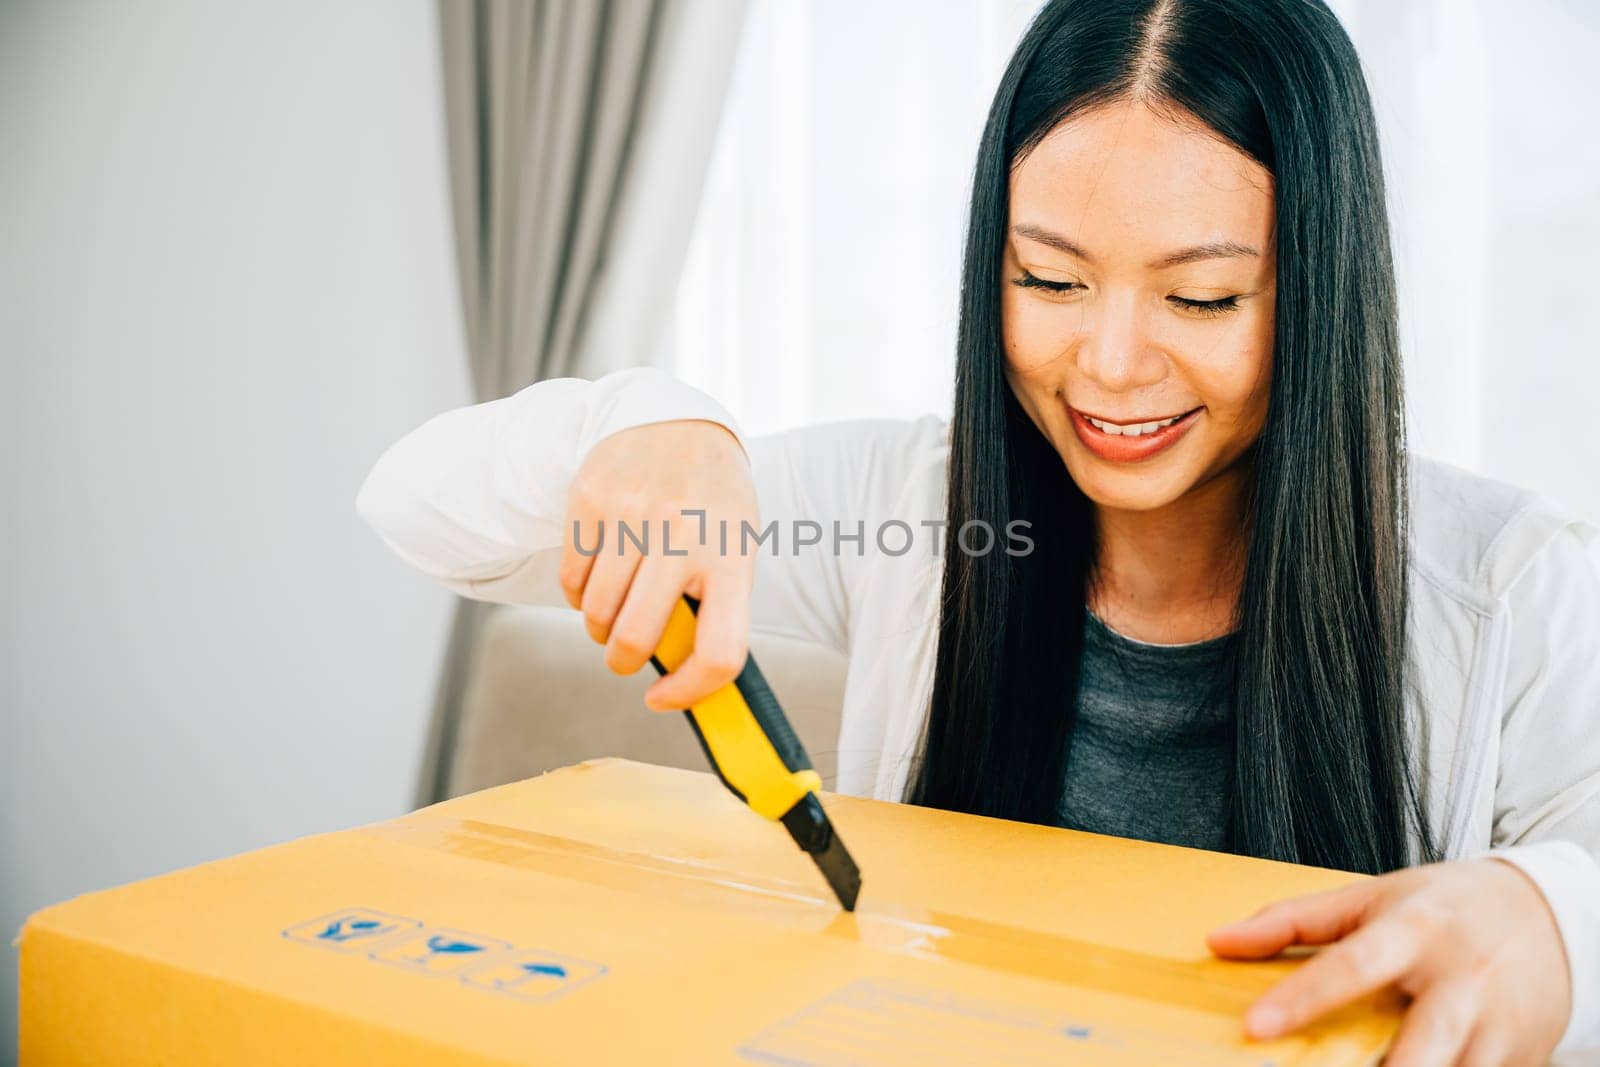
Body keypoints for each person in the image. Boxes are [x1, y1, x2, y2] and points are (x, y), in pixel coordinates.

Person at [356, 0, 1599, 1062]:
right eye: (1049, 280)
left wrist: (1550, 919)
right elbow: (416, 506)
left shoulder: (1510, 586)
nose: (1108, 365)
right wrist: (646, 426)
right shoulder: (917, 510)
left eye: (1202, 295)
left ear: (1320, 287)